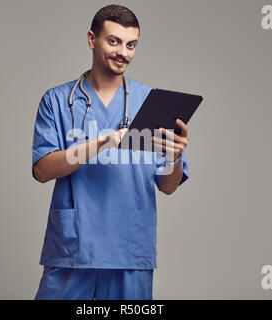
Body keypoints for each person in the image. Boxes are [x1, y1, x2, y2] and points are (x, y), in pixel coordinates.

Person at [32, 4, 190, 300]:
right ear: (92, 39)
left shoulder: (152, 102)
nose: (124, 53)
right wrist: (102, 142)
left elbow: (167, 186)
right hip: (74, 249)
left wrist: (175, 156)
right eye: (114, 41)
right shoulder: (57, 100)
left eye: (131, 45)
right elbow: (42, 170)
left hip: (129, 251)